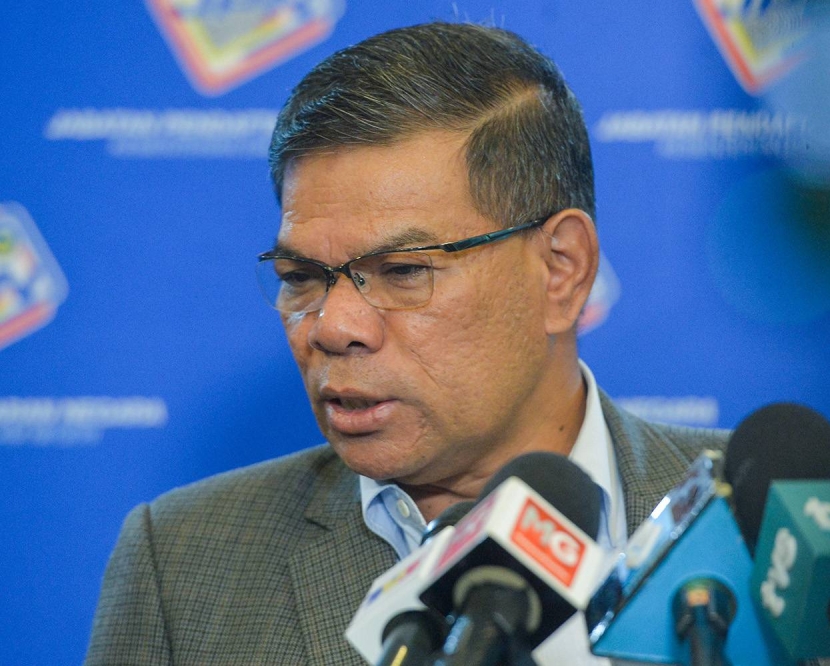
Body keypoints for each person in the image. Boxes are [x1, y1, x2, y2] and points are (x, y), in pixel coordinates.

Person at [85, 21, 726, 665]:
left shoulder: (759, 518)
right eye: (300, 277)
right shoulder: (180, 564)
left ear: (560, 269)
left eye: (403, 271)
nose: (332, 326)